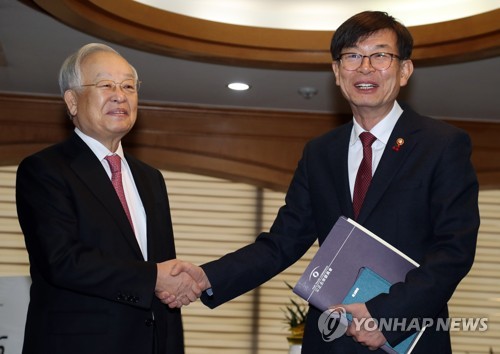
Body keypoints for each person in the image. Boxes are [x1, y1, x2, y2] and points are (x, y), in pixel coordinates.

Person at [160, 11, 480, 353]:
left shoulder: (442, 144)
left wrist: (385, 317)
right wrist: (208, 277)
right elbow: (281, 243)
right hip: (329, 339)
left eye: (381, 55)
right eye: (353, 56)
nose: (365, 67)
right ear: (337, 73)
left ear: (404, 71)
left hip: (404, 336)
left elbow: (454, 249)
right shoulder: (320, 153)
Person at [16, 43, 206, 354]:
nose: (120, 95)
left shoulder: (151, 178)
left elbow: (163, 274)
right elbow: (62, 260)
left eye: (129, 86)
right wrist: (153, 278)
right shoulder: (44, 170)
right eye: (105, 85)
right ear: (72, 101)